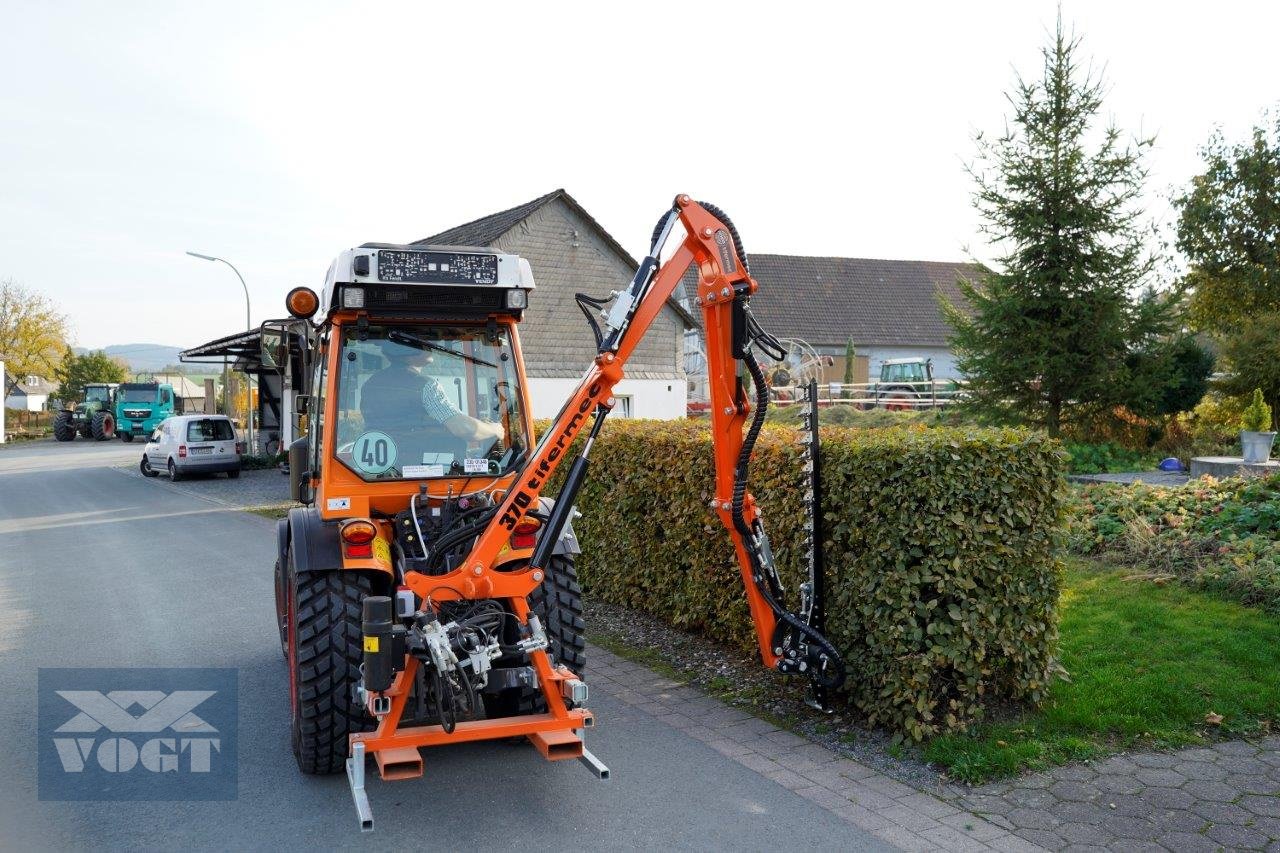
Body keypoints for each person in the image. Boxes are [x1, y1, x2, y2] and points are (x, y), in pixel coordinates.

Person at [359, 339, 504, 445]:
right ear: (408, 351)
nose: (431, 347)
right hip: (423, 467)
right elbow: (463, 429)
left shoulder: (370, 384)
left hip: (387, 466)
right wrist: (494, 429)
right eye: (424, 344)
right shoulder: (425, 386)